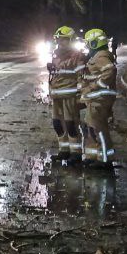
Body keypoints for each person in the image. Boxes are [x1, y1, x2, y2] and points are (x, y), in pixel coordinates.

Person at [79, 28, 119, 170]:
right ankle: (92, 156)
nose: (87, 46)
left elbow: (110, 71)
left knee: (98, 129)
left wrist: (94, 86)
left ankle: (105, 160)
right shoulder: (97, 56)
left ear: (95, 43)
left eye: (88, 43)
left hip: (100, 99)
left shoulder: (101, 57)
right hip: (95, 99)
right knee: (90, 128)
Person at [47, 26, 85, 163]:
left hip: (70, 94)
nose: (60, 43)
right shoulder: (55, 54)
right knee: (57, 124)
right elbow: (56, 75)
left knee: (71, 124)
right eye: (58, 40)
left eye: (63, 40)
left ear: (70, 40)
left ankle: (76, 153)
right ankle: (64, 150)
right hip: (57, 94)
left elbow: (82, 75)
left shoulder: (77, 55)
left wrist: (80, 94)